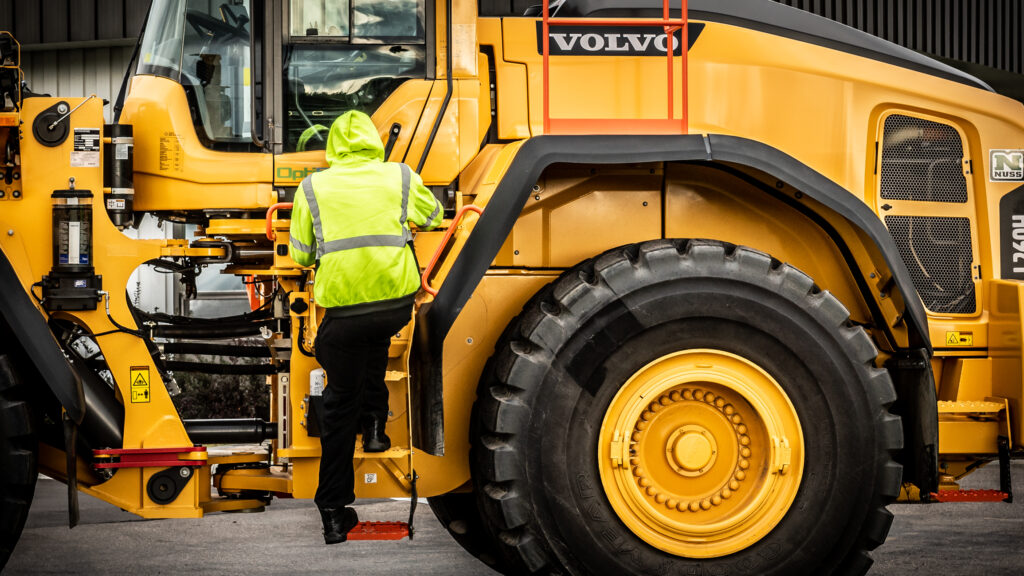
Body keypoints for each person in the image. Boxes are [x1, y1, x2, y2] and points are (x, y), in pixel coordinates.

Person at [289, 110, 443, 544]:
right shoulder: (399, 176)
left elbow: (301, 255)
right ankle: (376, 427)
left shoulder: (313, 187)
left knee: (339, 404)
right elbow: (434, 216)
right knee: (374, 341)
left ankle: (335, 512)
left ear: (334, 145)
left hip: (344, 315)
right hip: (396, 305)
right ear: (373, 142)